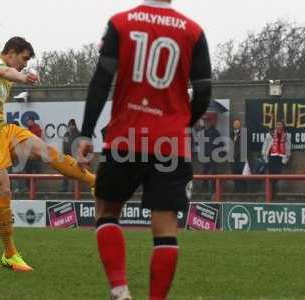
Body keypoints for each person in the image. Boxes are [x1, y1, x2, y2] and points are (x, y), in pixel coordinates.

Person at [78, 1, 212, 299]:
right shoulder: (193, 31)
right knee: (165, 227)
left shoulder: (121, 22)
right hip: (171, 145)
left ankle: (120, 289)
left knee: (106, 210)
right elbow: (203, 91)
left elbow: (101, 80)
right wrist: (181, 123)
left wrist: (86, 132)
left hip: (126, 139)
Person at [0, 37, 96, 272]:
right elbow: (5, 70)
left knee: (47, 151)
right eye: (23, 59)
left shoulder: (3, 77)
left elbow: (2, 79)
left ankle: (96, 183)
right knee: (4, 190)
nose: (23, 65)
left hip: (1, 130)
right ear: (11, 52)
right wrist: (23, 77)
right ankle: (10, 254)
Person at [261, 120, 291, 198]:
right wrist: (265, 157)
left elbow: (288, 148)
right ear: (275, 126)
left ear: (283, 126)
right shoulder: (270, 134)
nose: (279, 126)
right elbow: (265, 146)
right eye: (277, 124)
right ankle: (270, 194)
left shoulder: (287, 135)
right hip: (272, 157)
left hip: (280, 158)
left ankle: (273, 193)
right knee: (270, 177)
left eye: (280, 125)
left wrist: (285, 160)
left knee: (277, 176)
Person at [201, 118, 223, 196]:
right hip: (205, 157)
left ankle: (214, 191)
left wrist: (218, 154)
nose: (206, 124)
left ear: (210, 123)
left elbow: (221, 144)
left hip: (213, 157)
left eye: (207, 122)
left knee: (213, 173)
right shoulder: (202, 132)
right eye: (205, 122)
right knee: (204, 173)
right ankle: (204, 191)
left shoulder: (215, 132)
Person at [60, 119, 81, 192]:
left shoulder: (79, 134)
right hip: (67, 157)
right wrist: (64, 155)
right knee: (65, 172)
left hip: (76, 157)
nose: (71, 127)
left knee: (75, 174)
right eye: (70, 125)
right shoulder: (66, 134)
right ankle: (64, 188)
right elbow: (64, 145)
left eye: (72, 125)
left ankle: (75, 189)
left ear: (75, 126)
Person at [230, 119, 247, 193]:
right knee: (235, 173)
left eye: (238, 123)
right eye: (235, 123)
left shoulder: (243, 133)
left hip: (241, 156)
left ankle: (243, 190)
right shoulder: (231, 134)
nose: (236, 125)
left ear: (240, 125)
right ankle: (236, 189)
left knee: (242, 173)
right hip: (233, 157)